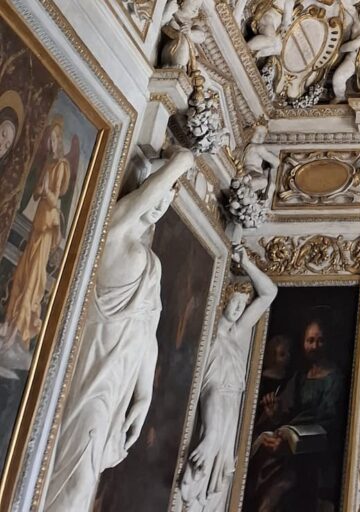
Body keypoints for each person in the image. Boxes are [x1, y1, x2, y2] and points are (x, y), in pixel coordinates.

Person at [46, 146, 196, 511]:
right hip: (92, 367)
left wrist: (143, 396)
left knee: (89, 468)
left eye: (169, 199)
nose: (162, 204)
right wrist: (182, 163)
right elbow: (143, 200)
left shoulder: (153, 264)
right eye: (161, 192)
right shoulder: (113, 233)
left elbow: (149, 333)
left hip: (121, 380)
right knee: (75, 470)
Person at [180, 246, 278, 511]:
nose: (238, 309)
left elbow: (269, 293)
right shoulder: (210, 333)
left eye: (242, 305)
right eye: (234, 303)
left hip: (232, 398)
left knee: (220, 466)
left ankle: (199, 499)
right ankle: (194, 483)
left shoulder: (238, 333)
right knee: (210, 436)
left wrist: (247, 264)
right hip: (214, 390)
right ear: (223, 301)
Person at [244, 317, 345, 511]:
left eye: (320, 340)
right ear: (303, 343)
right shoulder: (299, 377)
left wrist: (291, 444)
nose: (315, 345)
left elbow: (329, 424)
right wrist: (274, 415)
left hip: (315, 454)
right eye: (310, 340)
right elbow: (287, 414)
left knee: (281, 489)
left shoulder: (335, 379)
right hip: (288, 448)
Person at [2, 119, 70, 352]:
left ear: (59, 141)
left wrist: (47, 190)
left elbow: (55, 199)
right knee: (22, 273)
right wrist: (39, 188)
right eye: (49, 140)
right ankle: (9, 323)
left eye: (53, 140)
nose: (51, 144)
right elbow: (37, 194)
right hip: (37, 226)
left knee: (32, 280)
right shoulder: (49, 164)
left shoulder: (60, 165)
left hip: (47, 228)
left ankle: (17, 333)